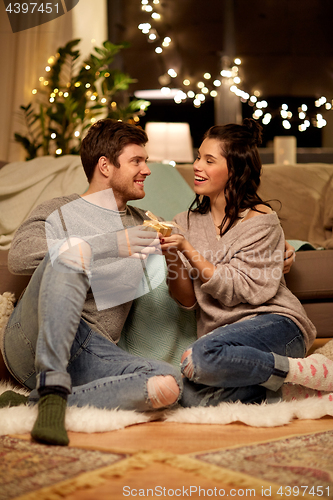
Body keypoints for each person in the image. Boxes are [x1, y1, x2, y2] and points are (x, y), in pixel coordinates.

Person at [0, 119, 182, 446]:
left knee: (167, 385)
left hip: (91, 351)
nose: (148, 170)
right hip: (33, 338)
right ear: (105, 166)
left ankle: (37, 402)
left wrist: (179, 253)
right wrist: (111, 243)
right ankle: (52, 385)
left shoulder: (145, 222)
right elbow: (19, 256)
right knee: (70, 254)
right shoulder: (59, 210)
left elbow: (201, 241)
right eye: (137, 161)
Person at [159, 118, 331, 407]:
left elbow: (236, 289)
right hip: (222, 340)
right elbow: (186, 301)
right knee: (188, 398)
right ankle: (286, 388)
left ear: (234, 169)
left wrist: (187, 249)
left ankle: (301, 370)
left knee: (200, 357)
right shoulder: (183, 223)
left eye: (209, 160)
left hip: (275, 325)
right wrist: (172, 256)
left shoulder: (260, 221)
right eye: (198, 157)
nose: (197, 166)